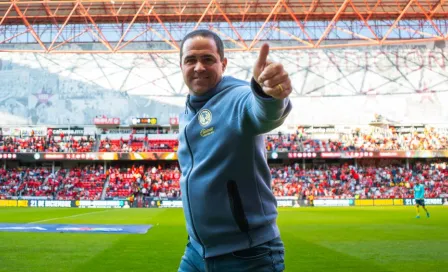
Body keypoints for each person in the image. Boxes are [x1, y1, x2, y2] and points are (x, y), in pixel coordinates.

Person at [177, 29, 292, 272]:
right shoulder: (187, 111)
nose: (198, 67)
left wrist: (269, 95)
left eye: (207, 59)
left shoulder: (237, 97)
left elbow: (262, 113)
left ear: (223, 63)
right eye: (190, 60)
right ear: (181, 66)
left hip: (248, 255)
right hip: (197, 252)